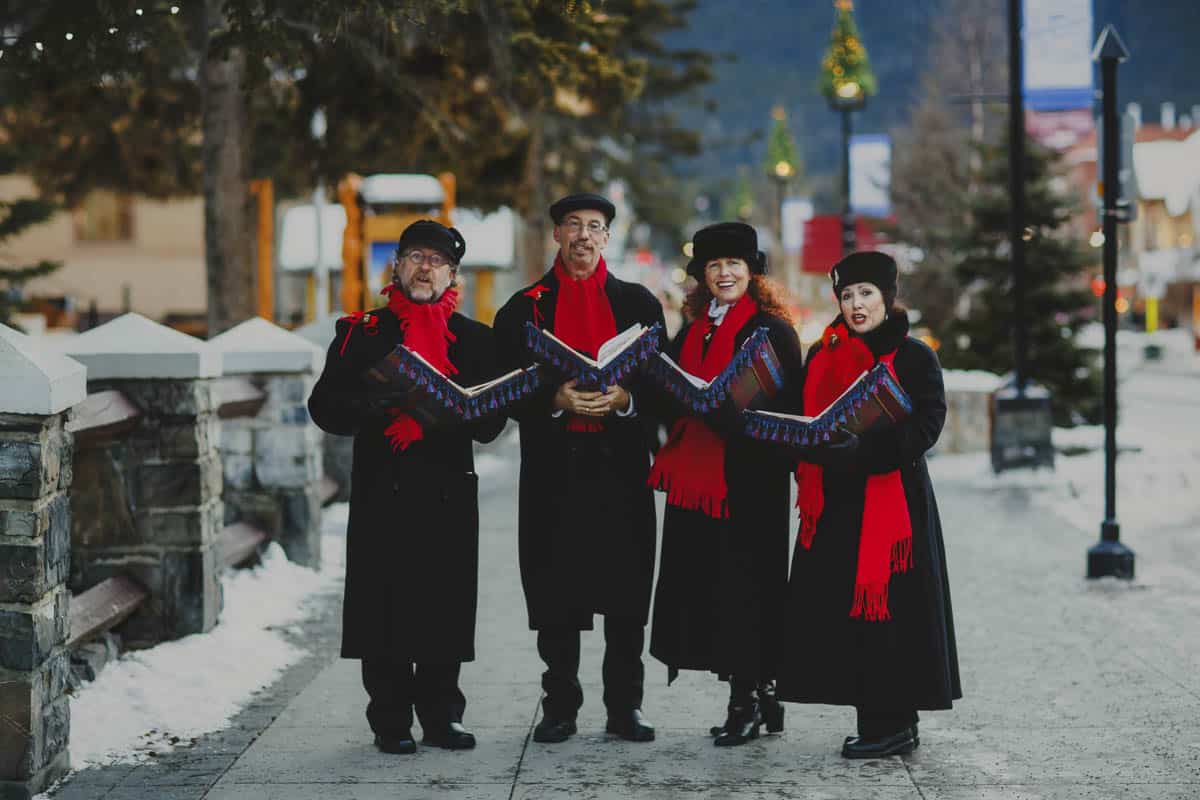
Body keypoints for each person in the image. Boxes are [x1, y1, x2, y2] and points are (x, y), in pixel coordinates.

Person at [308, 220, 506, 755]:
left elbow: (491, 426)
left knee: (445, 603)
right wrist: (381, 404)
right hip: (383, 490)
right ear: (396, 265)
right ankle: (390, 719)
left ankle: (443, 716)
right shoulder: (361, 332)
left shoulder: (475, 339)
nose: (426, 267)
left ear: (453, 275)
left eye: (438, 261)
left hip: (447, 491)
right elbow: (323, 407)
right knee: (385, 603)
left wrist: (456, 410)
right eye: (416, 256)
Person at [493, 192, 666, 744]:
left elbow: (664, 389)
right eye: (574, 225)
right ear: (557, 235)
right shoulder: (523, 310)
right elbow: (502, 392)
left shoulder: (640, 304)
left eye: (595, 226)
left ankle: (625, 706)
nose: (584, 236)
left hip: (620, 468)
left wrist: (627, 402)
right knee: (556, 592)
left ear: (607, 238)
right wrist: (553, 400)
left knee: (626, 592)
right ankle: (560, 705)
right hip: (553, 469)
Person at [778, 250, 961, 758]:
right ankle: (878, 717)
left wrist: (865, 449)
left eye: (866, 294)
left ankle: (894, 722)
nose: (856, 305)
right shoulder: (823, 352)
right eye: (847, 295)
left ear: (886, 297)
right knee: (853, 615)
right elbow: (805, 416)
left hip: (894, 504)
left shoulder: (914, 356)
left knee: (893, 613)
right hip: (837, 502)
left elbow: (927, 424)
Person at [646, 222, 805, 746]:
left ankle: (749, 699)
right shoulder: (692, 329)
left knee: (747, 589)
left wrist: (728, 411)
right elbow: (668, 389)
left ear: (752, 271)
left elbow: (787, 407)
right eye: (714, 266)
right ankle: (760, 694)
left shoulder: (772, 331)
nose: (725, 273)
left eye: (734, 264)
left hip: (749, 480)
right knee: (714, 590)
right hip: (698, 478)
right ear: (703, 277)